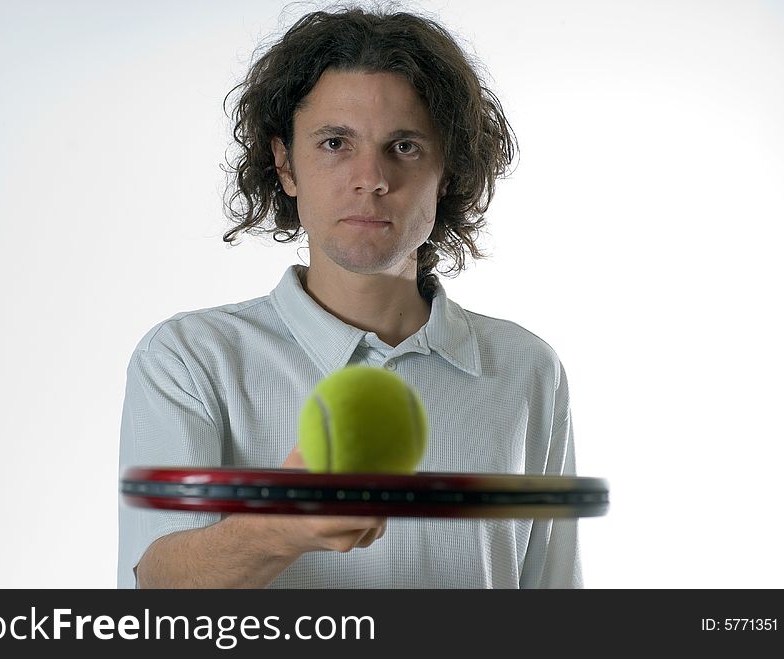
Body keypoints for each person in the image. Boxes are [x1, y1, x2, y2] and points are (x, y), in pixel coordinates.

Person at [117, 5, 581, 589]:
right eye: (336, 142)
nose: (371, 177)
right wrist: (281, 525)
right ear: (285, 165)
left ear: (449, 168)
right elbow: (153, 586)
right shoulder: (189, 358)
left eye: (405, 146)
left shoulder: (528, 370)